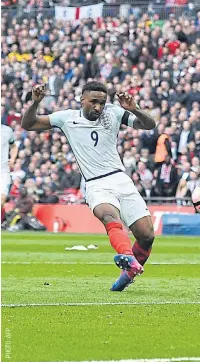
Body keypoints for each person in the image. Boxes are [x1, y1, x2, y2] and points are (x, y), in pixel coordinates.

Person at [21, 82, 157, 291]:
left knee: (147, 236)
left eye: (102, 103)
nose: (98, 107)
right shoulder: (66, 118)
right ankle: (127, 257)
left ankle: (127, 275)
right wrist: (35, 103)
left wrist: (134, 109)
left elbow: (149, 125)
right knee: (110, 216)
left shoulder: (114, 113)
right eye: (93, 102)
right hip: (96, 183)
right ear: (82, 99)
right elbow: (28, 124)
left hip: (120, 179)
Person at [1, 122, 17, 210]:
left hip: (3, 171)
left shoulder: (7, 130)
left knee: (2, 199)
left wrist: (13, 159)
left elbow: (14, 146)